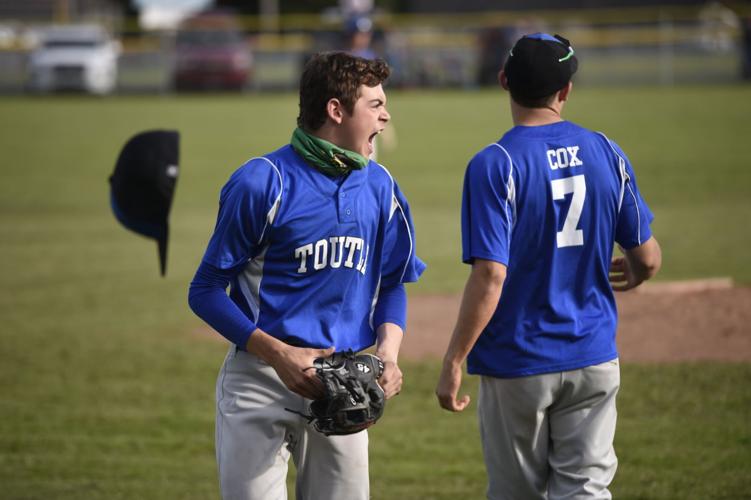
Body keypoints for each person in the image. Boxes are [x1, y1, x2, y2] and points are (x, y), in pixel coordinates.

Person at [189, 51, 425, 500]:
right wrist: (276, 354)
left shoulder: (381, 187)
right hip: (260, 378)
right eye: (375, 104)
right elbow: (204, 290)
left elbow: (392, 281)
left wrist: (389, 355)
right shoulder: (263, 182)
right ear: (336, 110)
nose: (386, 114)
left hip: (346, 382)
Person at [435, 33, 662, 499]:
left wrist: (455, 358)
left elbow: (491, 273)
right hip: (593, 355)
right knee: (585, 490)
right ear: (566, 91)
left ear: (503, 81)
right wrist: (638, 273)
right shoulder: (605, 150)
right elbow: (648, 256)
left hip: (518, 361)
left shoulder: (495, 163)